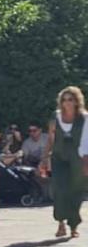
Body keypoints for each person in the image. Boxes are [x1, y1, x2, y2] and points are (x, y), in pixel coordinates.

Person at [41, 86, 88, 238]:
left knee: (76, 191)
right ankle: (61, 223)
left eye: (70, 99)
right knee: (60, 190)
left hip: (78, 157)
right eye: (64, 99)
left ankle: (74, 225)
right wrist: (44, 158)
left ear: (76, 101)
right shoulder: (56, 117)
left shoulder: (84, 118)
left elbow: (86, 141)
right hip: (59, 157)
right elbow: (50, 139)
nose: (67, 103)